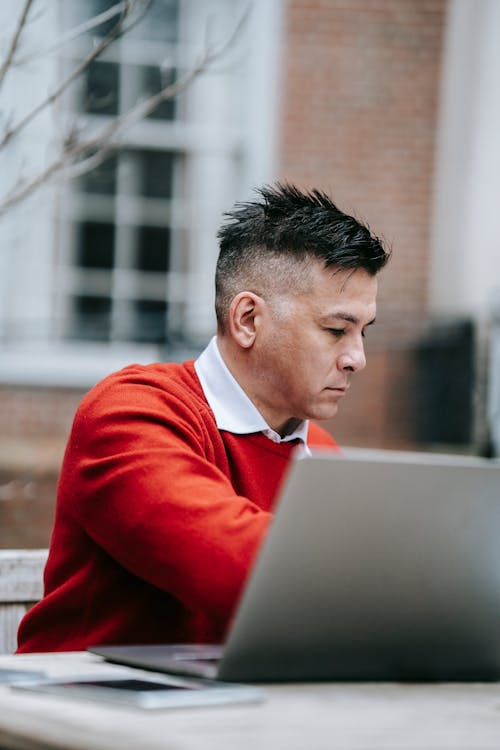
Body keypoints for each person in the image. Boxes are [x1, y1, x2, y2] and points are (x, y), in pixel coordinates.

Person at [17, 183, 390, 652]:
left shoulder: (321, 451)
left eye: (362, 332)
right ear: (248, 320)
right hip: (72, 709)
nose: (357, 358)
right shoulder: (129, 414)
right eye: (336, 330)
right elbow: (228, 564)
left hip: (230, 714)